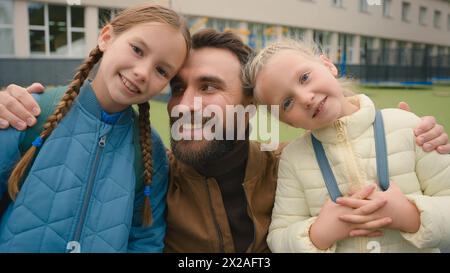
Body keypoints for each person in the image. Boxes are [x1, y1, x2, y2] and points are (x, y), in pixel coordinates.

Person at [0, 30, 449, 253]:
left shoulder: (291, 168)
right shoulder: (146, 174)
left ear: (253, 108)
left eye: (210, 87)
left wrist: (404, 129)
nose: (184, 105)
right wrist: (11, 108)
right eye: (177, 87)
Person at [0, 4, 190, 252]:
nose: (142, 72)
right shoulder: (29, 112)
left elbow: (146, 239)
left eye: (161, 70)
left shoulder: (152, 152)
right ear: (106, 37)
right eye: (137, 49)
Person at [244, 39, 450, 252]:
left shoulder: (409, 126)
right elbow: (279, 238)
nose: (306, 98)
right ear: (288, 122)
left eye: (304, 78)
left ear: (328, 65)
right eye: (287, 103)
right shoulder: (293, 159)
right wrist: (319, 233)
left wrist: (410, 215)